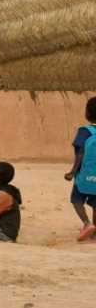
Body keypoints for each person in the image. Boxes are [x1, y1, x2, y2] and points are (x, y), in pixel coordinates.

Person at [68, 97, 96, 241]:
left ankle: (87, 223)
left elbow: (80, 152)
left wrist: (72, 171)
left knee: (76, 200)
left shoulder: (85, 131)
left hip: (84, 175)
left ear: (88, 113)